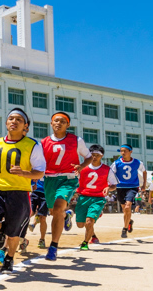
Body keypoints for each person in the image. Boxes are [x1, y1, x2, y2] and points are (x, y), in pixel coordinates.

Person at [0, 108, 46, 274]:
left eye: (19, 120)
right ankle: (1, 229)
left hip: (19, 192)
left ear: (26, 126)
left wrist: (24, 173)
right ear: (6, 123)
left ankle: (9, 259)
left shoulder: (33, 145)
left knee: (14, 232)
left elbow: (40, 172)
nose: (14, 122)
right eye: (11, 119)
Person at [39, 112, 92, 261]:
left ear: (68, 125)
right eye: (56, 121)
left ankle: (53, 246)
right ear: (51, 123)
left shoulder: (76, 140)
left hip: (68, 179)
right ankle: (66, 215)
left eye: (62, 121)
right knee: (54, 211)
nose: (59, 123)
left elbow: (88, 157)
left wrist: (81, 166)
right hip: (49, 179)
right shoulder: (43, 142)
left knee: (57, 208)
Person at [75, 145, 112, 251]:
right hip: (83, 197)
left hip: (98, 198)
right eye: (92, 155)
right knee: (80, 225)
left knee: (89, 222)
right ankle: (72, 214)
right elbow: (74, 181)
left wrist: (109, 187)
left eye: (97, 155)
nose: (94, 157)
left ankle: (85, 243)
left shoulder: (107, 169)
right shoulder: (82, 168)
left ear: (102, 156)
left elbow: (114, 184)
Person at [111, 144, 148, 238]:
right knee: (125, 209)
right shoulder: (116, 163)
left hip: (132, 187)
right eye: (121, 151)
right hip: (120, 187)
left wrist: (144, 184)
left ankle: (124, 229)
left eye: (125, 151)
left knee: (128, 207)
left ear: (130, 151)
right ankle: (129, 222)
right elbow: (110, 173)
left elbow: (144, 171)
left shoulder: (137, 162)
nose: (123, 153)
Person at [29, 179, 50, 248]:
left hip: (46, 194)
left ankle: (42, 239)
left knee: (42, 218)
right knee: (29, 213)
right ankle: (21, 238)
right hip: (34, 191)